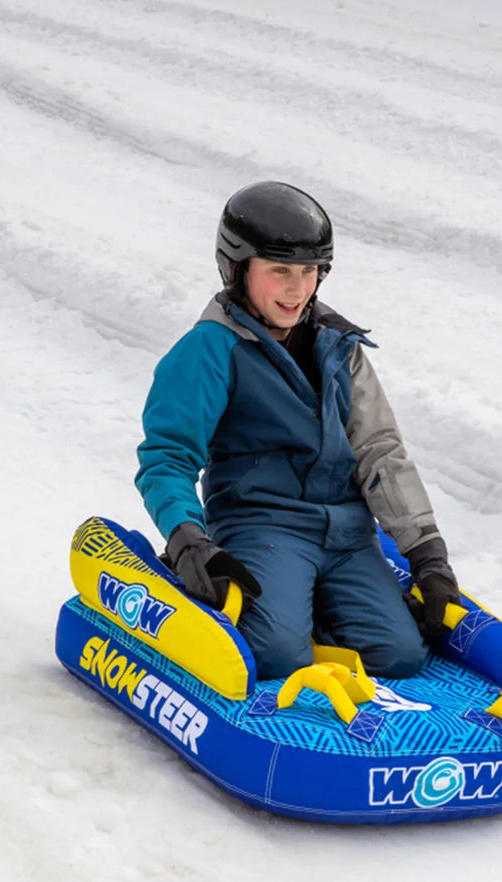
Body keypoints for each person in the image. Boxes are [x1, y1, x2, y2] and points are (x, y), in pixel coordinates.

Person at [136, 180, 460, 681]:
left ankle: (311, 610)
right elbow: (168, 456)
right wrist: (187, 540)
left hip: (347, 535)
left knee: (402, 655)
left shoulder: (341, 347)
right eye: (280, 271)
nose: (297, 288)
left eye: (309, 272)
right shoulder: (211, 349)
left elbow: (380, 452)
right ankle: (214, 600)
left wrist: (427, 554)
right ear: (239, 270)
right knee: (274, 655)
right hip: (263, 526)